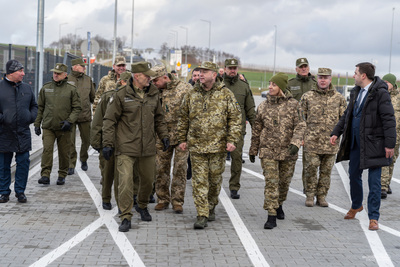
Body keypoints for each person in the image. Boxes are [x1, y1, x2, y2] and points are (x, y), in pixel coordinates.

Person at [102, 62, 170, 232]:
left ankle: (142, 205)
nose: (150, 78)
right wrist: (108, 143)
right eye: (147, 75)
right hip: (125, 147)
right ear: (137, 76)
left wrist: (164, 136)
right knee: (125, 182)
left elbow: (159, 119)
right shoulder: (121, 95)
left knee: (148, 181)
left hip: (147, 148)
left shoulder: (154, 95)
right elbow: (109, 120)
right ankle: (125, 216)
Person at [330, 62, 396, 231]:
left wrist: (390, 144)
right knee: (353, 175)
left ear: (364, 76)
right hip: (356, 143)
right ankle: (356, 205)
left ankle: (373, 217)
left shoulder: (380, 93)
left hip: (375, 144)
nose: (354, 75)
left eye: (355, 73)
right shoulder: (355, 91)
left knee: (374, 182)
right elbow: (347, 114)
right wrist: (336, 132)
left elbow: (389, 119)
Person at [177, 61, 242, 229]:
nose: (201, 75)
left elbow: (235, 118)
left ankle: (211, 206)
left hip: (218, 147)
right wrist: (182, 139)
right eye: (200, 72)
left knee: (214, 181)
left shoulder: (226, 94)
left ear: (214, 75)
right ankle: (202, 213)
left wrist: (232, 140)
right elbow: (183, 117)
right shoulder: (192, 94)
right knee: (199, 182)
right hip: (197, 146)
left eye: (205, 72)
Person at [249, 72, 305, 230]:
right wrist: (253, 150)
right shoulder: (263, 106)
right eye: (269, 84)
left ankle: (279, 203)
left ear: (281, 87)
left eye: (273, 84)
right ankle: (271, 214)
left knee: (284, 183)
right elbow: (256, 130)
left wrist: (295, 143)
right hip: (268, 151)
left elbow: (301, 125)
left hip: (288, 152)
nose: (270, 87)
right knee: (271, 183)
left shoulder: (294, 105)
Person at [300, 68, 347, 207]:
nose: (323, 80)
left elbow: (344, 119)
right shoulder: (307, 96)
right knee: (311, 169)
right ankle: (309, 195)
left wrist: (339, 136)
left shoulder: (339, 98)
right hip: (311, 142)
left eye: (326, 77)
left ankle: (321, 196)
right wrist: (301, 137)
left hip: (330, 143)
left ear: (330, 79)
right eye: (320, 77)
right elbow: (301, 119)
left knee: (326, 172)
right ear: (317, 78)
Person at [151, 65, 192, 213]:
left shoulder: (185, 88)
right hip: (161, 136)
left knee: (180, 169)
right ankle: (162, 199)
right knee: (161, 168)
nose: (154, 83)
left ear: (165, 77)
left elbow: (192, 112)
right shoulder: (153, 91)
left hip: (181, 137)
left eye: (156, 80)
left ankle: (177, 201)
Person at [34, 63, 82, 186]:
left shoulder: (71, 89)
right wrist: (37, 123)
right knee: (47, 150)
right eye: (54, 72)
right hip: (48, 126)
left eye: (58, 73)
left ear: (65, 75)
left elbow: (77, 108)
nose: (55, 75)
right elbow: (40, 107)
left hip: (64, 127)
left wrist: (69, 121)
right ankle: (45, 175)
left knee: (64, 152)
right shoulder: (46, 88)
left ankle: (62, 174)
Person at [91, 71, 131, 210]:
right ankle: (106, 198)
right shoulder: (108, 97)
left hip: (125, 143)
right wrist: (96, 142)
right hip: (108, 142)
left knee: (124, 176)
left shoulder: (133, 99)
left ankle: (122, 202)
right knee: (107, 174)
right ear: (122, 82)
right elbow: (97, 121)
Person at [0, 60, 38, 203]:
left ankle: (20, 191)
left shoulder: (27, 89)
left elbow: (34, 105)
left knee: (23, 163)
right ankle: (4, 192)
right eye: (20, 71)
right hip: (4, 132)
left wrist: (30, 117)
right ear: (11, 72)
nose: (23, 73)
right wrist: (3, 118)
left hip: (23, 132)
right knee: (3, 165)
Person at [223, 58, 256, 199]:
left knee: (236, 160)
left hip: (237, 130)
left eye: (234, 68)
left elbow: (250, 109)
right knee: (215, 160)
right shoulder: (218, 84)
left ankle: (234, 187)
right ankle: (213, 185)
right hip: (217, 130)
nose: (232, 70)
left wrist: (257, 129)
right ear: (225, 69)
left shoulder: (244, 86)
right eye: (230, 68)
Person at [288, 57, 317, 194]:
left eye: (305, 66)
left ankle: (308, 187)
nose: (303, 68)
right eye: (301, 67)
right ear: (296, 69)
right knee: (290, 156)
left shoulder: (316, 83)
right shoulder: (290, 83)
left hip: (311, 126)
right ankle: (285, 184)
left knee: (309, 161)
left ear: (309, 68)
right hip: (293, 126)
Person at [67, 58, 95, 175]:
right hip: (70, 116)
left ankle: (83, 159)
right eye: (81, 65)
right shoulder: (66, 79)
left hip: (85, 115)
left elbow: (93, 97)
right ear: (74, 66)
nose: (84, 67)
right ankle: (71, 164)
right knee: (70, 142)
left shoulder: (88, 80)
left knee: (87, 140)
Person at [380, 73, 400, 199]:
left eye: (388, 82)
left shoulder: (398, 98)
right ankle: (383, 186)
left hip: (396, 134)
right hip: (382, 133)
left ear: (393, 84)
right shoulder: (380, 95)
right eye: (384, 81)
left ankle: (387, 182)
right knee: (384, 159)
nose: (386, 84)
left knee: (392, 160)